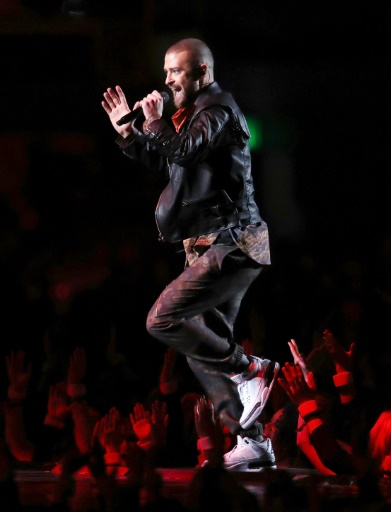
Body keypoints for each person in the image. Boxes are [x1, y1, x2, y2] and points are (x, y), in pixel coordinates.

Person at [101, 37, 278, 471]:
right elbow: (171, 163)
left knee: (162, 319)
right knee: (201, 348)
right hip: (208, 247)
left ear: (201, 72)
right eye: (165, 72)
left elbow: (184, 149)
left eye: (175, 72)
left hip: (231, 244)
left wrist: (157, 123)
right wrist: (129, 135)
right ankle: (251, 440)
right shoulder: (191, 117)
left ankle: (251, 369)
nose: (166, 80)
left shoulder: (217, 110)